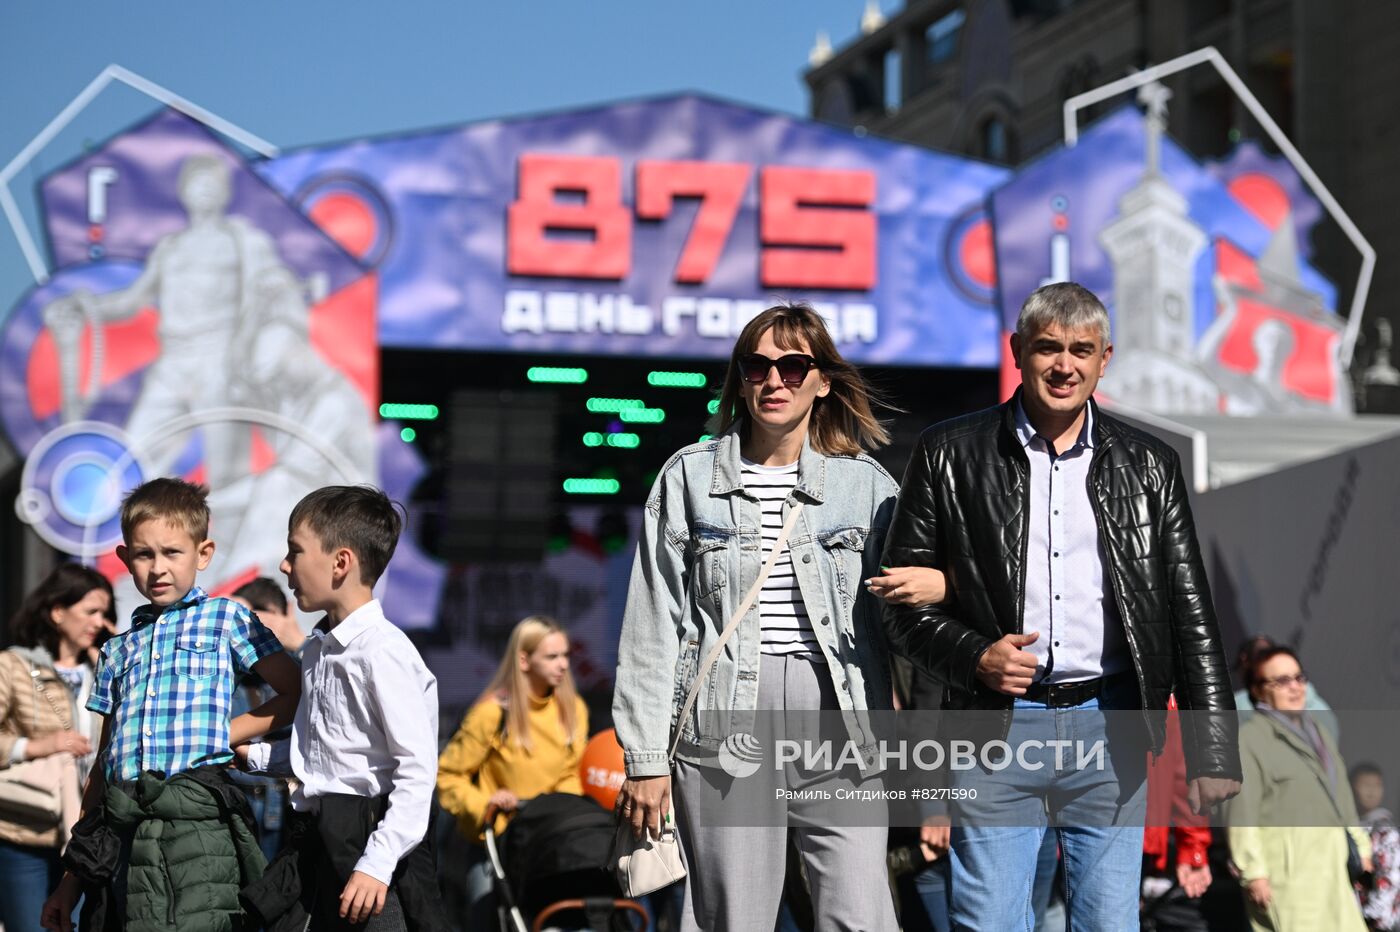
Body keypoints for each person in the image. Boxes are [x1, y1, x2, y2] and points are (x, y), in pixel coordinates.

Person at [881, 281, 1241, 930]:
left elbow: (1191, 612)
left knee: (1108, 924)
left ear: (1106, 358)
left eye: (1081, 350)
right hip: (996, 728)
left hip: (1112, 724)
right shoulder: (948, 452)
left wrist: (1213, 749)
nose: (1064, 365)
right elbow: (898, 606)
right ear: (1018, 350)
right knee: (987, 922)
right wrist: (976, 657)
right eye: (1048, 348)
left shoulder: (1150, 466)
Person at [613, 303, 902, 931]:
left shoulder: (866, 487)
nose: (775, 381)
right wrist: (645, 758)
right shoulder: (689, 477)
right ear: (740, 378)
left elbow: (905, 618)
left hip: (840, 714)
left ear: (823, 379)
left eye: (794, 366)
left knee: (862, 915)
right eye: (758, 365)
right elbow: (652, 622)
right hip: (725, 714)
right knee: (733, 918)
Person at [40, 477, 301, 932]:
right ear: (125, 559)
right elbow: (104, 766)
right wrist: (71, 881)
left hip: (198, 829)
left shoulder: (226, 618)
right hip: (126, 837)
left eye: (172, 552)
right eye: (144, 554)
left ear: (203, 553)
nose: (158, 567)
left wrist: (226, 732)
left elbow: (296, 691)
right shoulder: (117, 650)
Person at [238, 485, 448, 932]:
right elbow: (330, 754)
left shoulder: (384, 652)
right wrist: (253, 756)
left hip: (371, 854)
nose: (284, 565)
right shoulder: (318, 649)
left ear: (341, 562)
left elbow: (415, 772)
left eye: (295, 551)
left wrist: (377, 863)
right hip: (317, 846)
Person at [437, 616, 588, 925]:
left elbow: (574, 773)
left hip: (550, 845)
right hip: (495, 850)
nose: (563, 664)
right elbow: (447, 776)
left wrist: (553, 808)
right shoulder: (492, 714)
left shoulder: (574, 709)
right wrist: (486, 806)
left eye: (565, 656)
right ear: (523, 660)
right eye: (552, 656)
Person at [0, 565, 113, 932]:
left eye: (105, 614)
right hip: (25, 831)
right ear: (57, 611)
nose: (99, 622)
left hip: (87, 834)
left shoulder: (107, 671)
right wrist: (36, 745)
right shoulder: (14, 665)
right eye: (90, 611)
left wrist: (113, 662)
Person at [1227, 646, 1370, 931]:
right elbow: (1242, 814)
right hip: (1288, 878)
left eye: (1298, 678)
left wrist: (1361, 848)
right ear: (1257, 691)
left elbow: (1341, 798)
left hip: (1333, 870)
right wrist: (1253, 872)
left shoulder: (1320, 733)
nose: (1294, 687)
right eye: (1281, 681)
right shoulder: (1250, 740)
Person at [228, 577, 304, 863]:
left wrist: (297, 644)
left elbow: (321, 707)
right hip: (236, 809)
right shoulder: (227, 670)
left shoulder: (297, 669)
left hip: (285, 815)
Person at [1351, 763, 1400, 931]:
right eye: (1365, 785)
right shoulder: (1350, 828)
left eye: (1376, 785)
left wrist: (1373, 919)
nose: (1371, 791)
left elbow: (1390, 879)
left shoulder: (1386, 833)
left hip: (1376, 923)